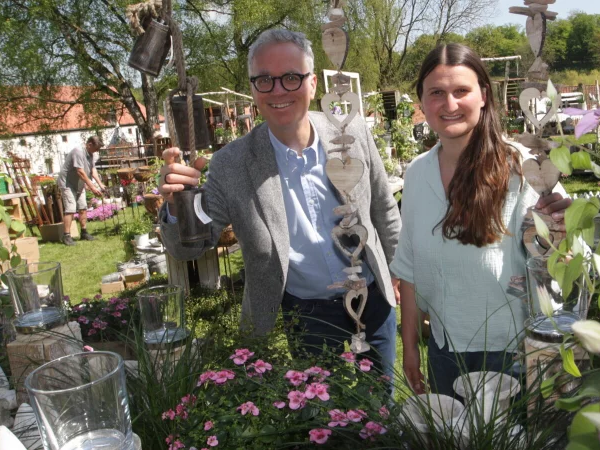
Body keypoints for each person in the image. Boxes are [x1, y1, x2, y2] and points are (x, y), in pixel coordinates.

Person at [158, 29, 401, 376]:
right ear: (253, 88)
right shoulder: (232, 165)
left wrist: (400, 275)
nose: (278, 91)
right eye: (265, 81)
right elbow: (188, 250)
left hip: (372, 300)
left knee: (382, 406)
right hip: (307, 315)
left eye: (291, 77)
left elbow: (384, 210)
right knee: (321, 416)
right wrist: (173, 205)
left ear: (313, 83)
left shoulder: (353, 132)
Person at [392, 43, 572, 396]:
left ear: (484, 95)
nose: (450, 104)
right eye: (436, 93)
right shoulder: (416, 174)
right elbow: (410, 269)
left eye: (461, 91)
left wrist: (561, 233)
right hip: (444, 350)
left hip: (514, 352)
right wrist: (411, 350)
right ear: (422, 102)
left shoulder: (522, 168)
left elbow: (555, 257)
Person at [56, 136, 105, 246]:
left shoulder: (91, 154)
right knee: (71, 208)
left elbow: (92, 169)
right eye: (96, 148)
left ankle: (84, 232)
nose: (97, 151)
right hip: (67, 183)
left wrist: (100, 184)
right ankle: (67, 235)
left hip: (79, 184)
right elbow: (80, 171)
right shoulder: (78, 152)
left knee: (83, 207)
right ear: (89, 144)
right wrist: (92, 187)